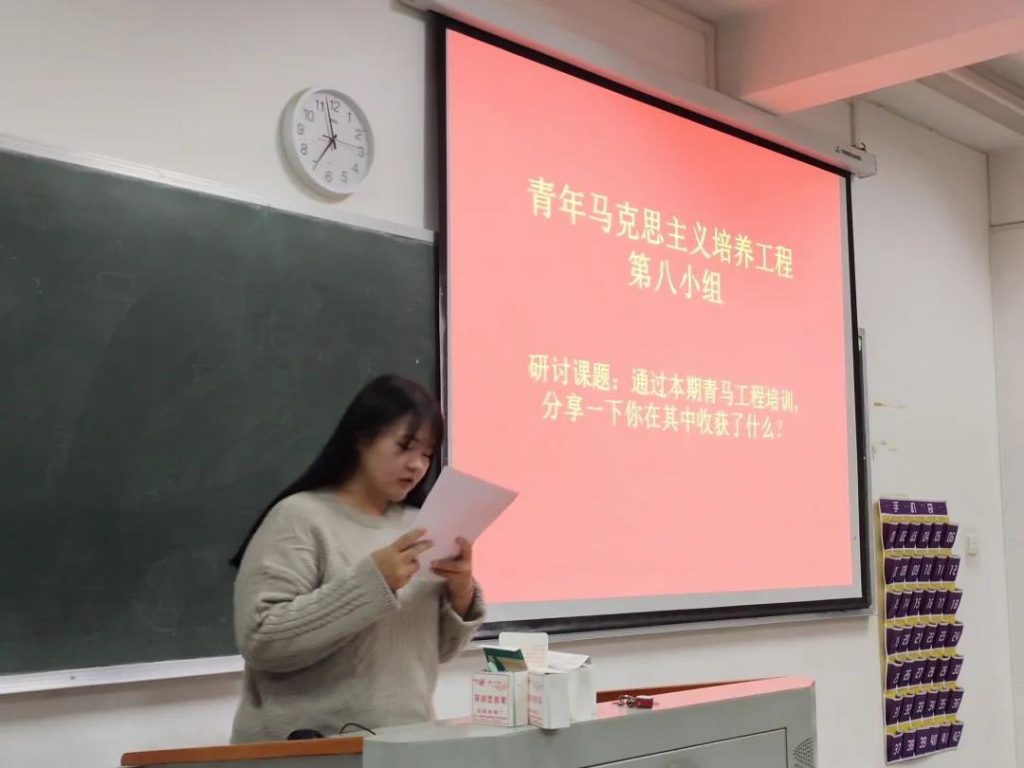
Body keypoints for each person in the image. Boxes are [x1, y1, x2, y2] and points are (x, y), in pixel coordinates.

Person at [228, 374, 484, 743]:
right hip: (309, 751)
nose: (417, 465)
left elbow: (435, 653)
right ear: (361, 438)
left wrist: (461, 595)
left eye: (427, 454)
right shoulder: (299, 517)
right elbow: (262, 640)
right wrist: (372, 582)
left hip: (406, 744)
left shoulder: (420, 527)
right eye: (405, 446)